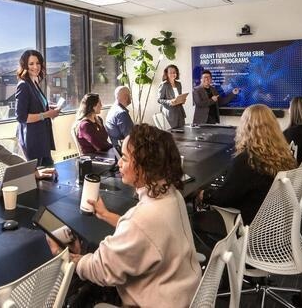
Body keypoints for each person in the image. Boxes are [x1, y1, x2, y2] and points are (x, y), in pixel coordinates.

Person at [48, 124, 201, 307]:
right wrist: (106, 215)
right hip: (185, 294)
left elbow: (100, 269)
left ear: (145, 167)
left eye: (125, 158)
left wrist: (62, 255)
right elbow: (148, 236)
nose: (119, 163)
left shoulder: (142, 219)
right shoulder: (171, 194)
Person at [194, 105, 297, 242]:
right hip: (274, 224)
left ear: (245, 127)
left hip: (249, 226)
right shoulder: (284, 155)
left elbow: (224, 198)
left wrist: (203, 195)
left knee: (193, 220)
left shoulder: (248, 159)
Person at [15, 49, 60, 167]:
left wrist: (48, 108)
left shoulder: (34, 83)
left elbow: (35, 106)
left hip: (42, 138)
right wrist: (47, 114)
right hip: (33, 141)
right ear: (24, 65)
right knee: (40, 178)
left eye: (38, 63)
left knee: (49, 174)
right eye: (31, 64)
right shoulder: (24, 85)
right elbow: (21, 117)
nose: (36, 67)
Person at [283, 96, 302, 164]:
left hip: (295, 172)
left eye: (289, 107)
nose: (288, 110)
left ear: (294, 111)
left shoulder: (288, 133)